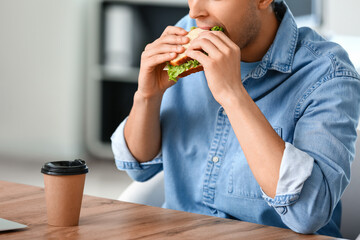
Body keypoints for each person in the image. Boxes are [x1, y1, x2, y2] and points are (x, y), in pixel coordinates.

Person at [111, 0, 360, 237]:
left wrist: (232, 94)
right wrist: (148, 95)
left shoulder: (328, 74)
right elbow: (140, 167)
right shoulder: (189, 33)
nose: (195, 11)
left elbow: (309, 214)